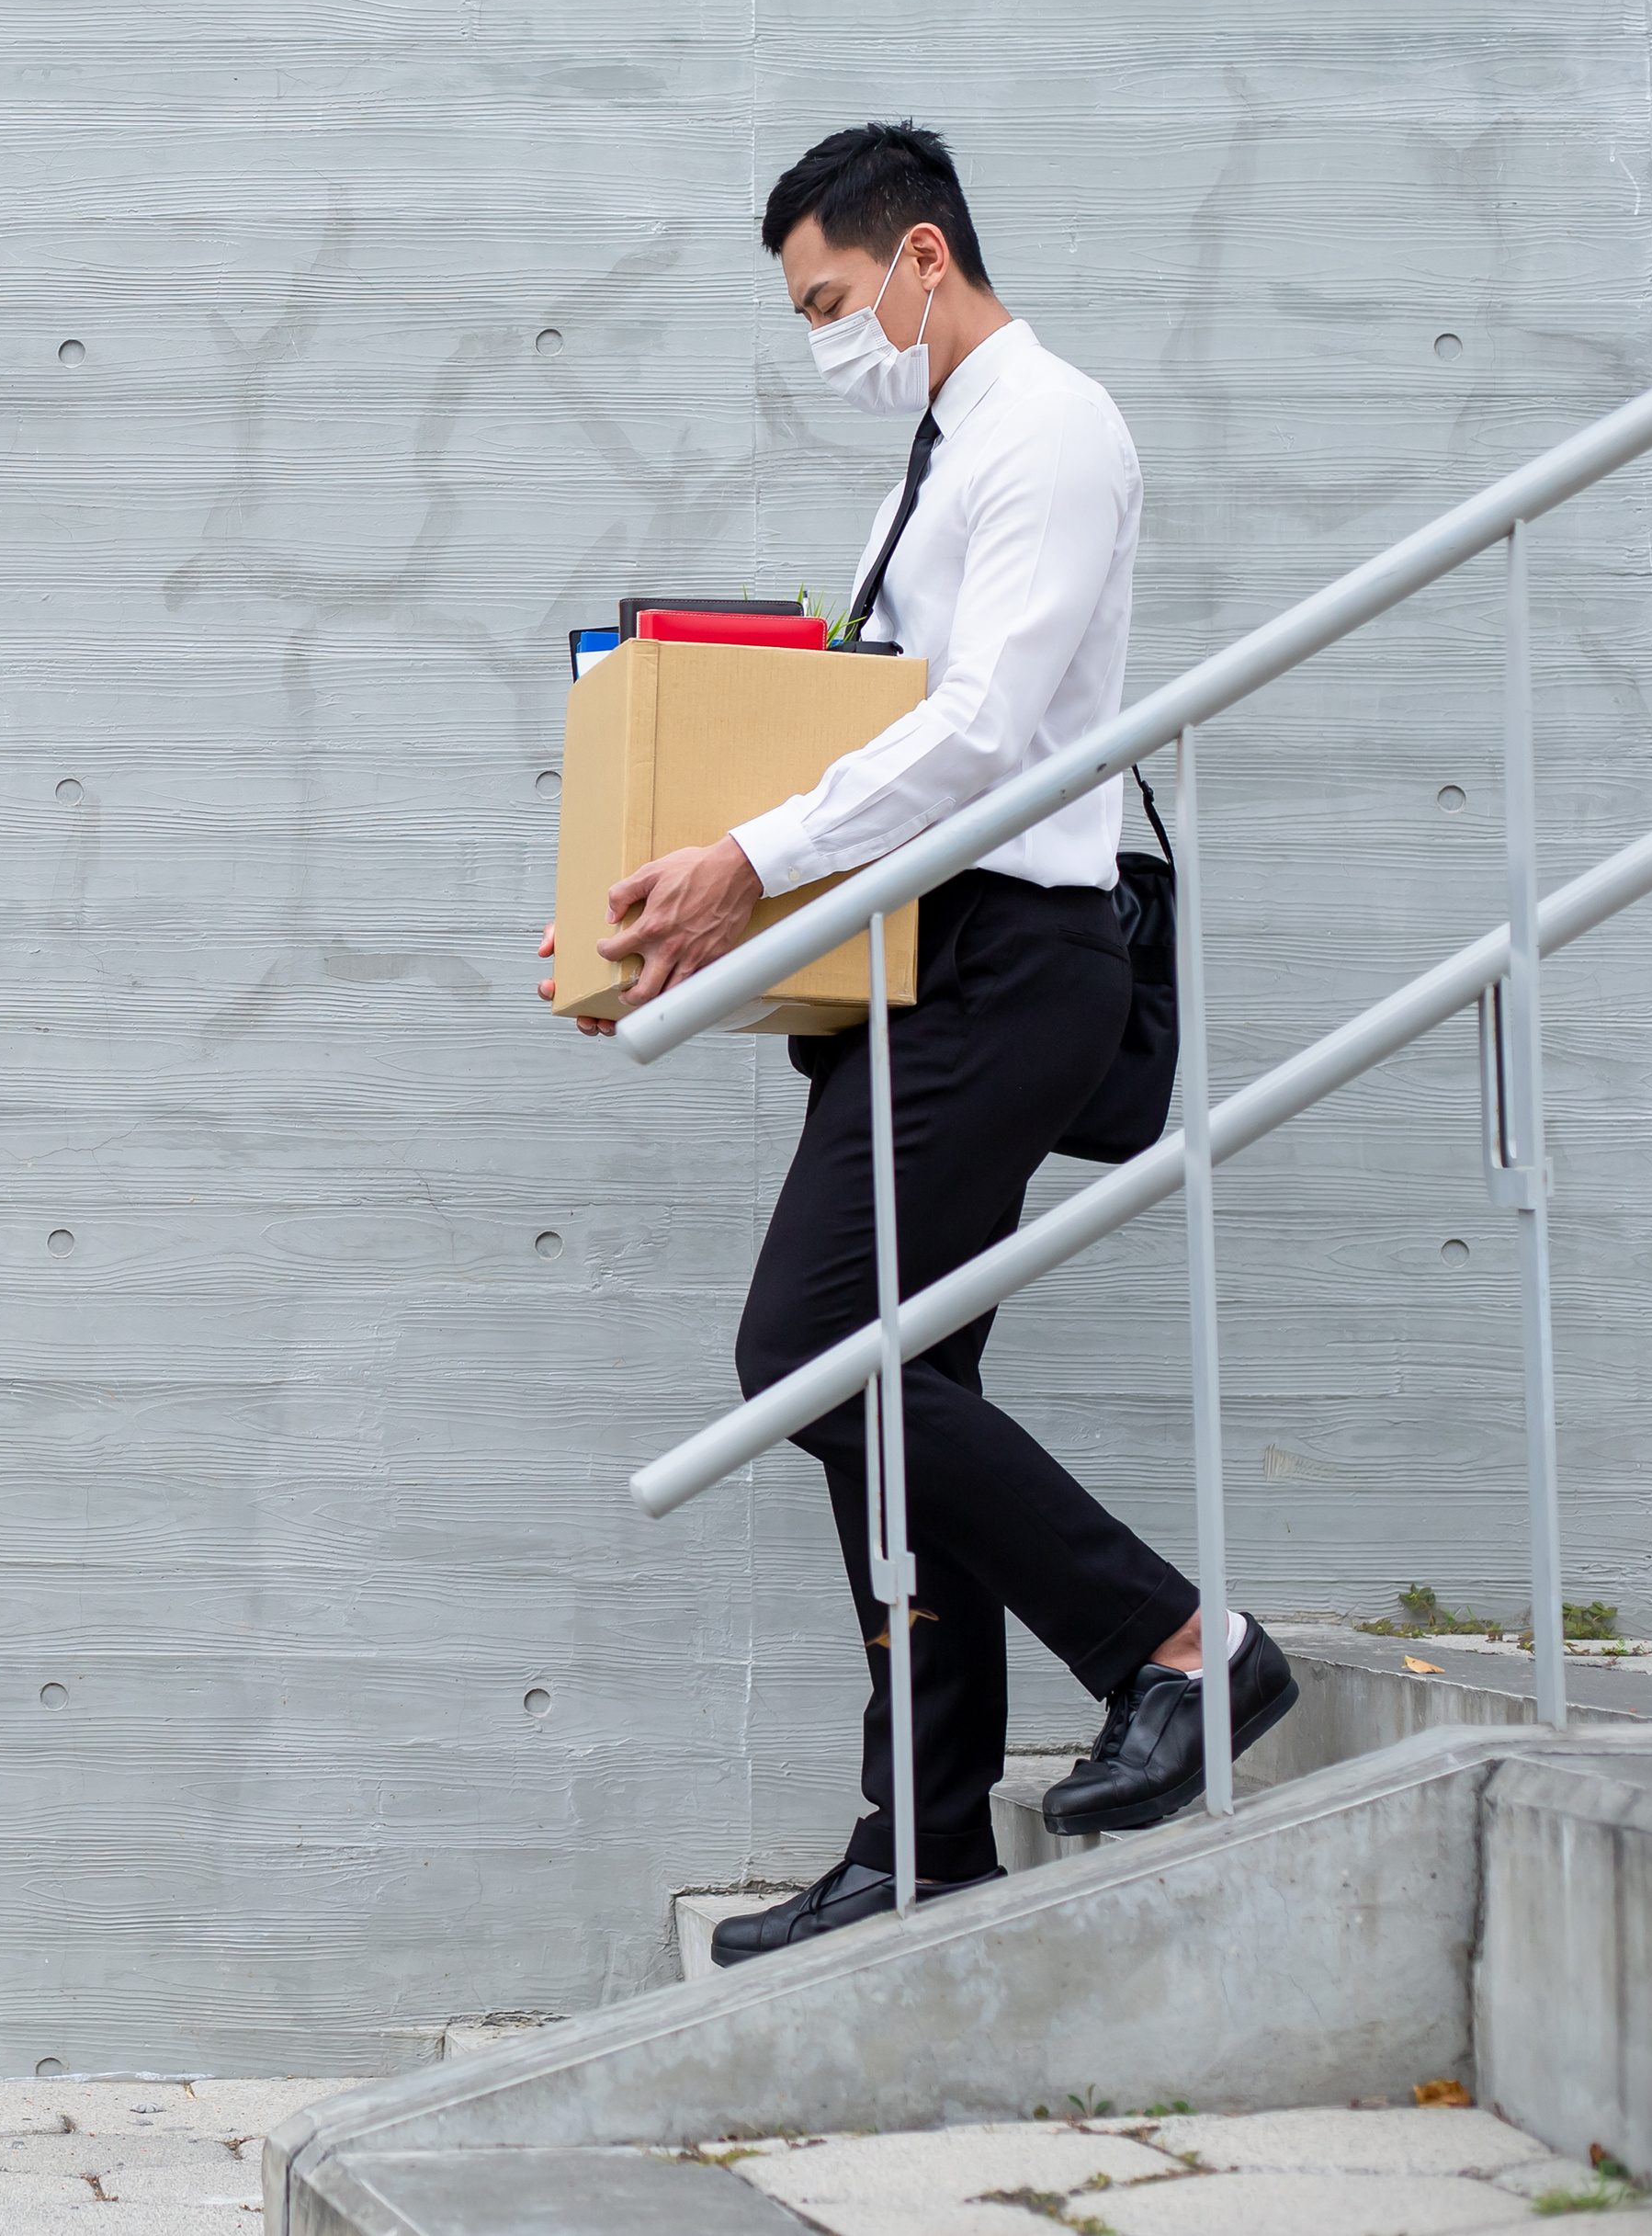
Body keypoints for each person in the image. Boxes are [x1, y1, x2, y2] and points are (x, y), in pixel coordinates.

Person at [537, 122, 1296, 1963]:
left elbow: (979, 732)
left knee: (808, 1348)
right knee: (896, 1409)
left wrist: (747, 857)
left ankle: (1182, 1646)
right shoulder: (936, 454)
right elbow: (842, 718)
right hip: (920, 961)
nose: (826, 338)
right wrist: (659, 900)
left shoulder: (1051, 432)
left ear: (920, 259)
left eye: (827, 300)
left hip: (1018, 958)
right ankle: (924, 1836)